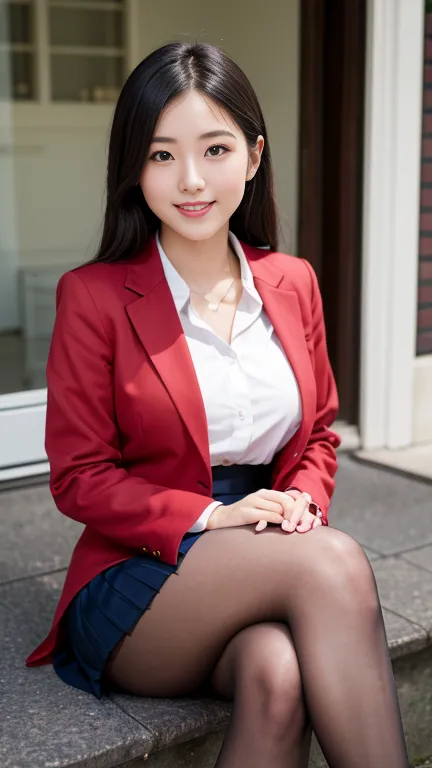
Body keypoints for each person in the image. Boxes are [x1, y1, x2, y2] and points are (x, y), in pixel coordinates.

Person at [26, 41, 410, 768]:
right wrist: (212, 517)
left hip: (264, 547)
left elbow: (319, 433)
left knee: (278, 674)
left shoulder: (292, 281)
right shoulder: (95, 296)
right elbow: (78, 476)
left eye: (215, 148)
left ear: (254, 156)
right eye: (163, 155)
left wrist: (298, 499)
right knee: (330, 565)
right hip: (139, 572)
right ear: (133, 168)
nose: (192, 180)